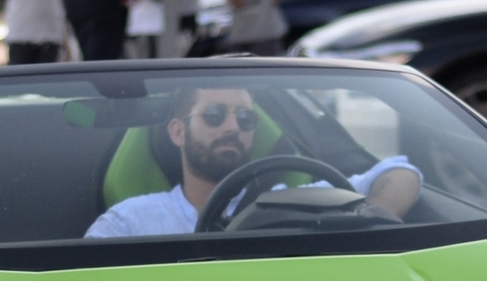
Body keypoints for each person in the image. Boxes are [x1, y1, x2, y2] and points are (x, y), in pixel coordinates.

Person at [85, 84, 421, 237]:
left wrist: (369, 227)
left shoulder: (293, 202)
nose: (233, 126)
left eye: (245, 119)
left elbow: (400, 172)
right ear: (177, 132)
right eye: (215, 115)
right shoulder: (129, 223)